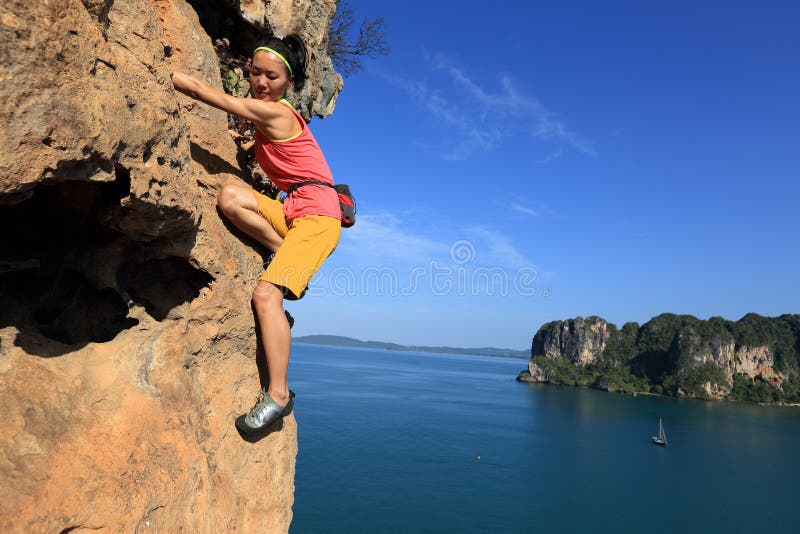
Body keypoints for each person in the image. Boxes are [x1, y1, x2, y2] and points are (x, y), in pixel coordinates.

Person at [171, 34, 342, 433]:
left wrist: (157, 70)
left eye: (272, 76)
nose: (261, 82)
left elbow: (206, 93)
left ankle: (279, 396)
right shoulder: (268, 119)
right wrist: (247, 147)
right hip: (293, 211)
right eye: (255, 73)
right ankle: (283, 253)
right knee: (230, 197)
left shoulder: (276, 113)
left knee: (266, 295)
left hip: (318, 218)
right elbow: (277, 154)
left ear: (289, 83)